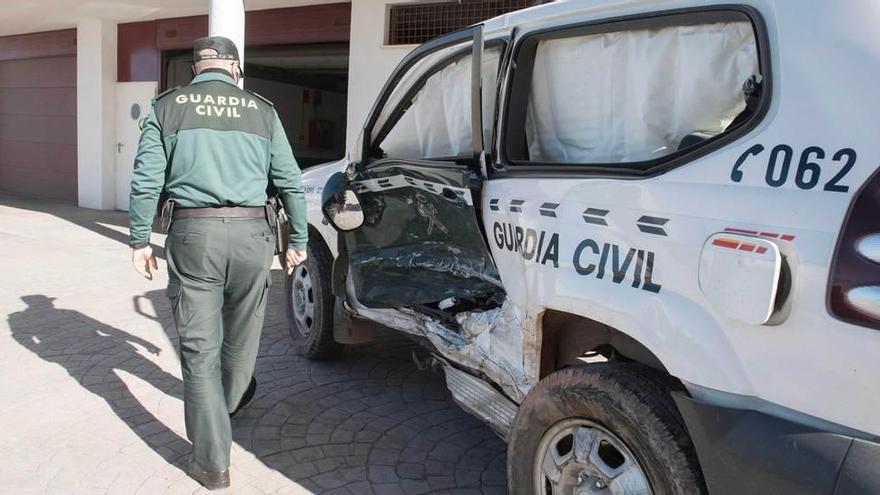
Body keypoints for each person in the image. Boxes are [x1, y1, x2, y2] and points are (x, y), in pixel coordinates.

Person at [127, 36, 307, 490]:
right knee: (243, 338)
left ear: (194, 69)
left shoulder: (168, 107)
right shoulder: (262, 110)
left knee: (199, 351)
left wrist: (139, 239)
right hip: (254, 237)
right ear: (234, 69)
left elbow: (146, 178)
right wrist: (298, 240)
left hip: (193, 238)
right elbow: (289, 180)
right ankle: (225, 406)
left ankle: (212, 463)